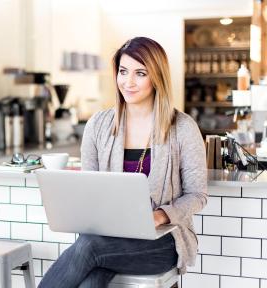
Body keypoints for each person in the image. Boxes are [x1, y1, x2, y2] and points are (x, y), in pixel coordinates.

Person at [38, 37, 207, 288]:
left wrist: (160, 216)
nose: (128, 82)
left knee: (88, 247)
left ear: (157, 77)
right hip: (109, 240)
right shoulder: (98, 124)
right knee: (90, 280)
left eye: (140, 73)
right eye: (123, 71)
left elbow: (197, 195)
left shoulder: (182, 128)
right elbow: (88, 187)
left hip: (162, 243)